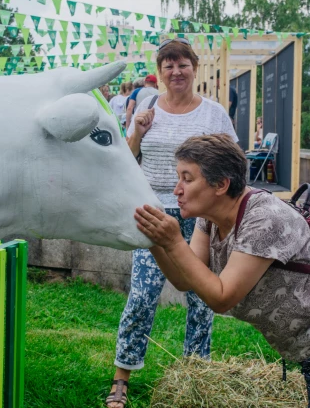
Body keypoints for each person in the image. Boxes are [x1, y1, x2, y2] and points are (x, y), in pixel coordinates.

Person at [134, 134, 310, 408]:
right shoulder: (210, 219)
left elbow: (221, 297)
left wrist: (172, 241)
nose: (176, 189)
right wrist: (155, 241)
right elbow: (185, 279)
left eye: (187, 178)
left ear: (221, 184)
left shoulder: (265, 219)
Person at [106, 38, 238, 408]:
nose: (176, 72)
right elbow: (126, 158)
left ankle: (198, 376)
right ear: (160, 72)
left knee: (201, 299)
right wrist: (138, 130)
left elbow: (234, 164)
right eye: (168, 65)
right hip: (154, 215)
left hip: (200, 218)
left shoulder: (213, 115)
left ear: (194, 68)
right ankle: (121, 377)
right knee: (142, 296)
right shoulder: (147, 108)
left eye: (182, 64)